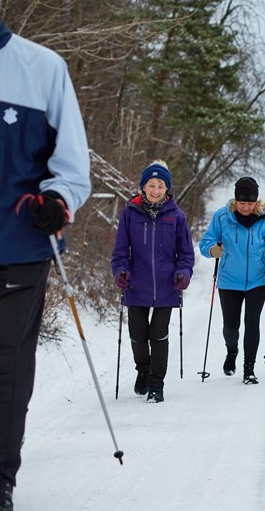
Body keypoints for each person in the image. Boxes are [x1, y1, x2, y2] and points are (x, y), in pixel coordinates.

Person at [0, 0, 92, 507]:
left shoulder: (41, 68)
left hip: (17, 250)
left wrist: (57, 199)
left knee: (3, 368)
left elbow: (73, 165)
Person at [110, 160, 194, 403]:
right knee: (137, 334)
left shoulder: (177, 216)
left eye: (160, 185)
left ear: (166, 189)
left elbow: (186, 254)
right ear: (142, 187)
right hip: (136, 284)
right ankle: (143, 369)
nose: (155, 190)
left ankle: (157, 385)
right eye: (151, 185)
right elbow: (119, 253)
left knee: (158, 334)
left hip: (168, 286)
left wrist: (183, 273)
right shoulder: (130, 213)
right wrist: (120, 271)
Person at [199, 177, 265, 385]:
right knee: (231, 326)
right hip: (229, 280)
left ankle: (249, 369)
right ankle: (232, 350)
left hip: (258, 280)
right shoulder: (222, 217)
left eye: (250, 203)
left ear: (256, 201)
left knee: (252, 323)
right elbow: (206, 241)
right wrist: (212, 250)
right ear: (235, 200)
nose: (246, 207)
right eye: (242, 203)